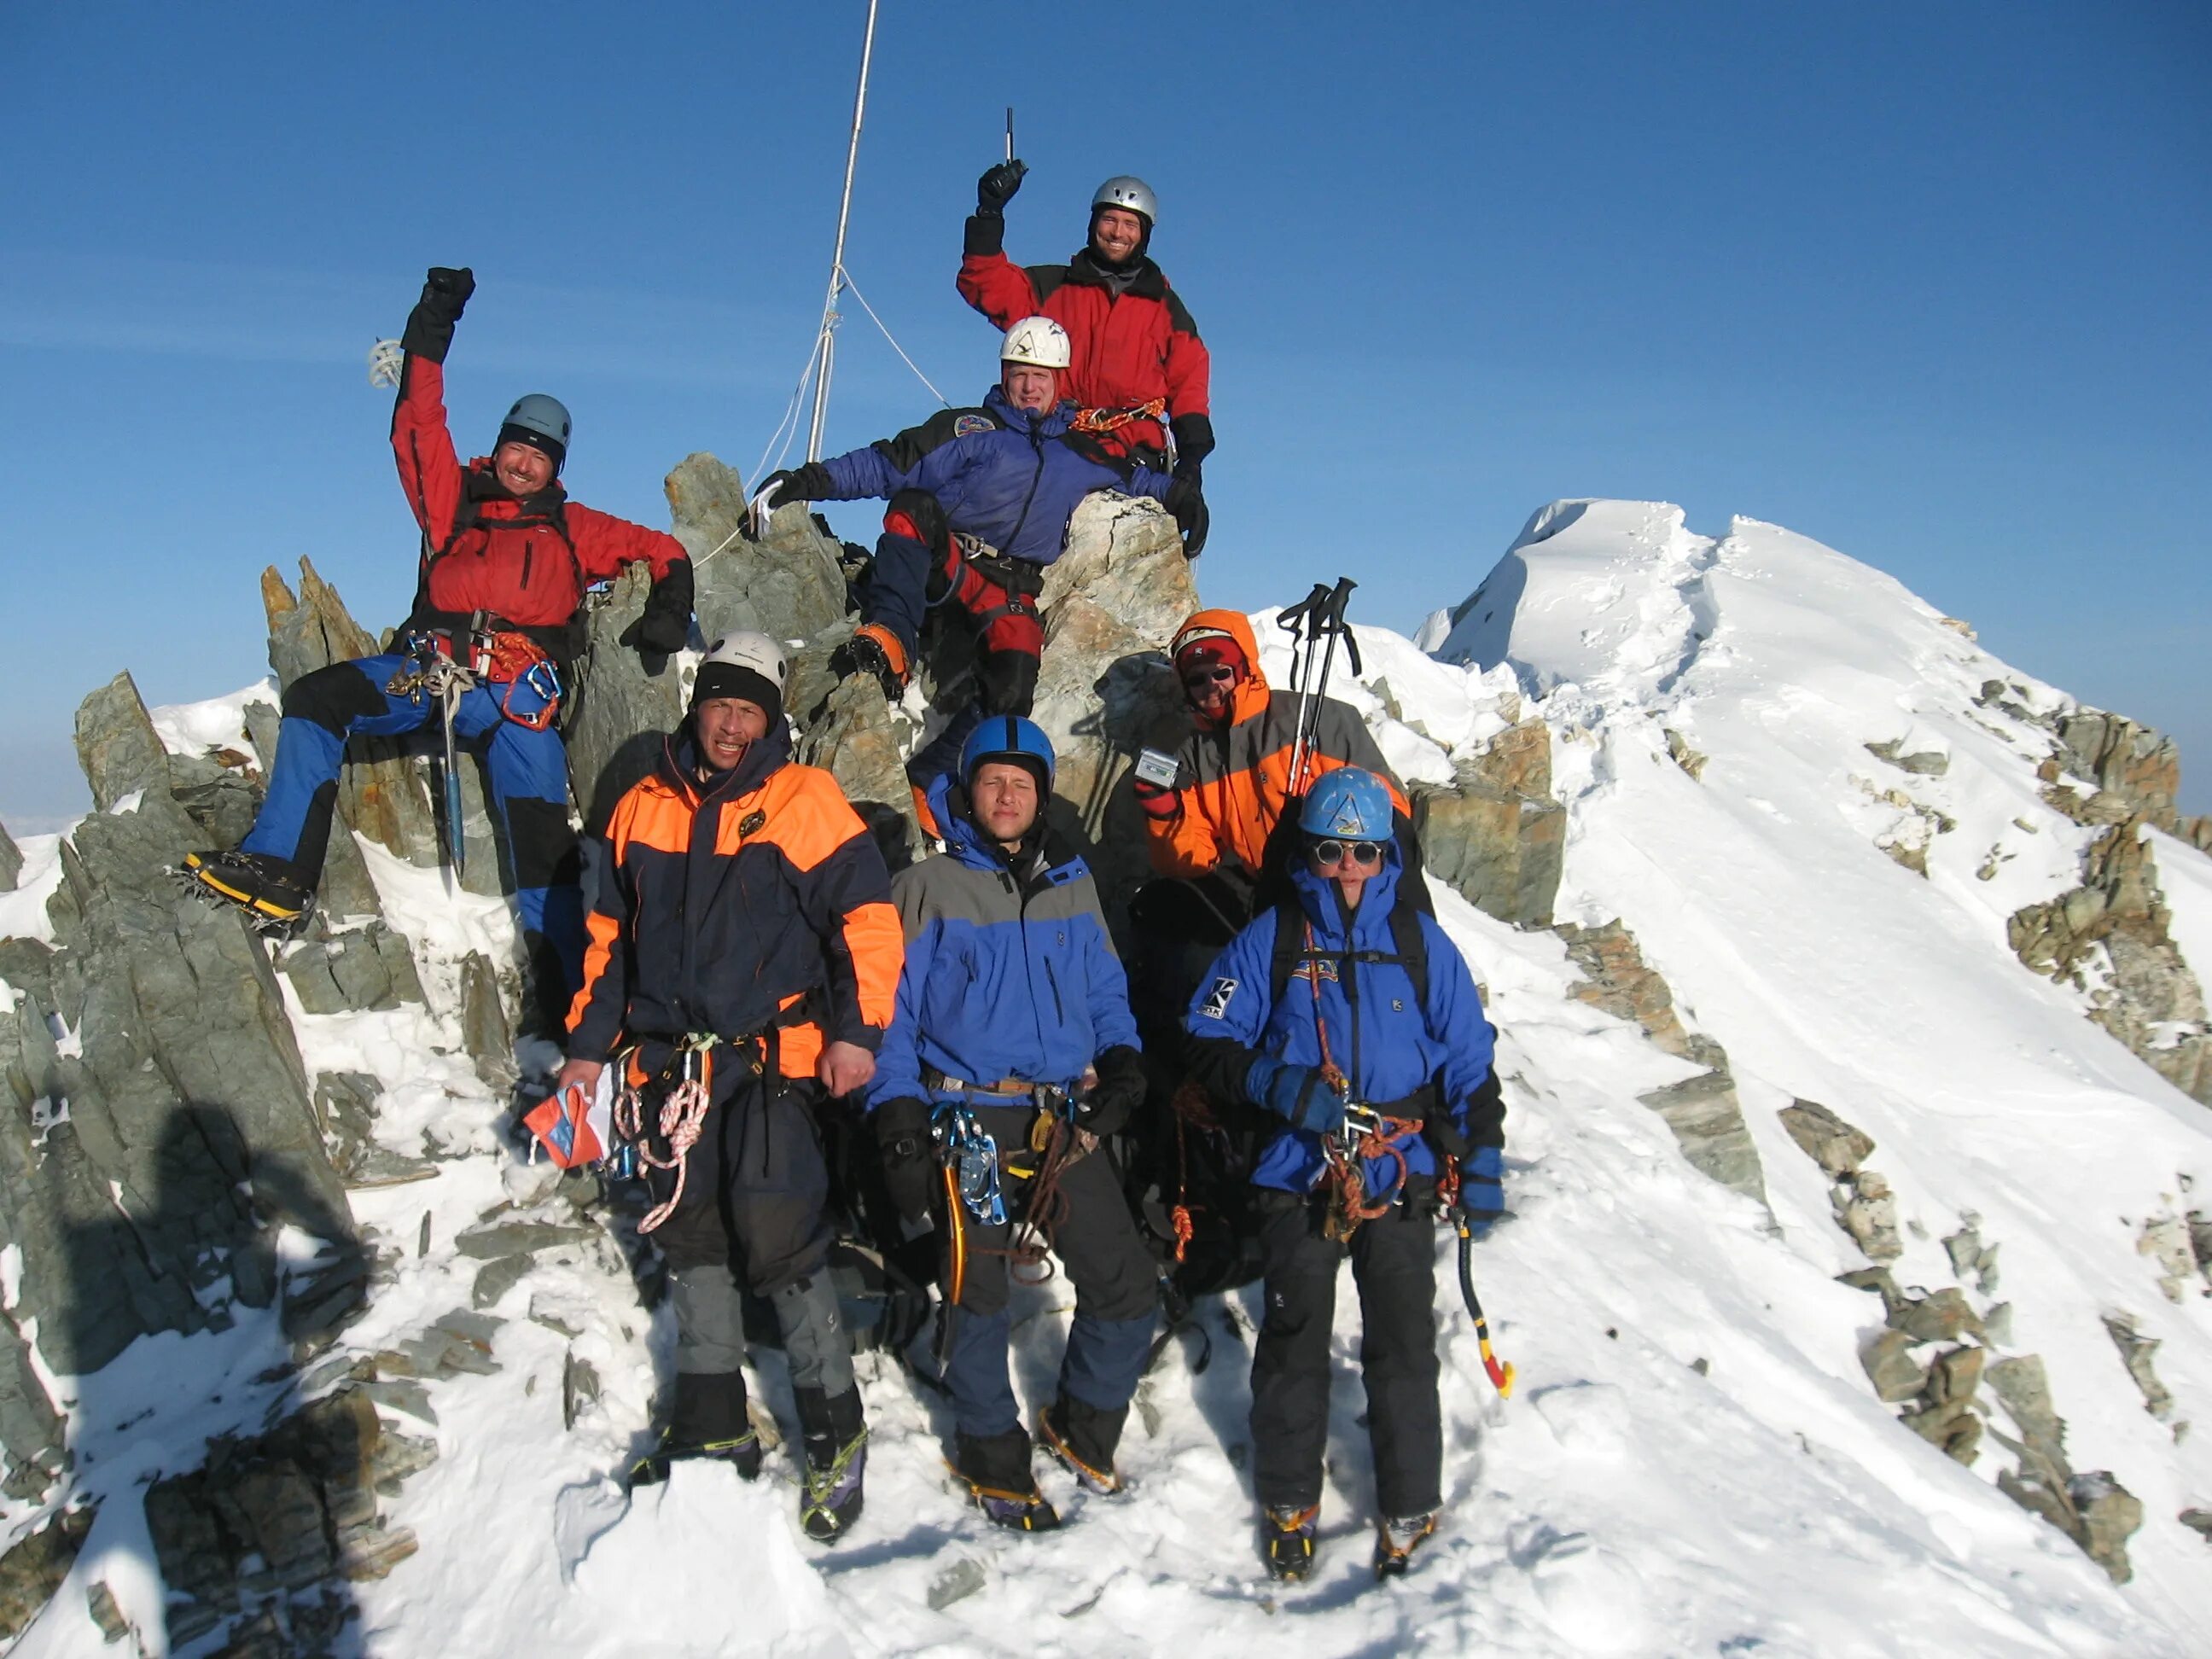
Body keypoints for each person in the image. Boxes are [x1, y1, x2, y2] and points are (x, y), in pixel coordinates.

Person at [184, 265, 692, 1020]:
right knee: (317, 700)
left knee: (541, 831)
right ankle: (280, 870)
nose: (523, 462)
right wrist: (432, 329)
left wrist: (669, 608)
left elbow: (662, 548)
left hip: (520, 701)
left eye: (539, 455)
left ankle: (565, 983)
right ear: (501, 448)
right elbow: (416, 425)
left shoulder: (572, 527)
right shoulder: (452, 500)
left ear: (557, 465)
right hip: (429, 675)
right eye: (515, 448)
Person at [557, 632, 904, 1544]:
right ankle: (708, 1419)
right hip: (669, 1066)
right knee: (692, 1238)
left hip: (770, 1063)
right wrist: (589, 1049)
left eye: (752, 711)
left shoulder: (803, 798)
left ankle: (835, 1431)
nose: (733, 726)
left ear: (771, 719)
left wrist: (857, 1035)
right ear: (698, 706)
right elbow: (606, 938)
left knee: (780, 1239)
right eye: (722, 706)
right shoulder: (641, 805)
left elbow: (866, 921)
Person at [1181, 767, 1505, 1581]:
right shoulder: (1274, 939)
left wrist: (1483, 1151)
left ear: (1386, 854)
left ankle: (1409, 1501)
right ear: (1309, 854)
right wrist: (1279, 1085)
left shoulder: (1419, 942)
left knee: (1402, 1342)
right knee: (1294, 1337)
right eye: (1331, 850)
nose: (1349, 867)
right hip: (1299, 1168)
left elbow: (1468, 1057)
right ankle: (1289, 1496)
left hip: (1397, 1170)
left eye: (1363, 851)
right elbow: (1204, 1037)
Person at [867, 717, 1155, 1531]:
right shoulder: (927, 888)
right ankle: (991, 1451)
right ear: (967, 792)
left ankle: (1084, 1424)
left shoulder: (1073, 881)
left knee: (1127, 1287)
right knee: (977, 1294)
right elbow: (893, 1019)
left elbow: (1104, 990)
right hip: (967, 1116)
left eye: (1021, 784)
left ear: (1040, 796)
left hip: (1061, 1117)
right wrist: (896, 1112)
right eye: (992, 781)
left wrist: (1125, 1061)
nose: (1006, 795)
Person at [758, 318, 1202, 728]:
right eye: (1019, 374)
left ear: (1059, 382)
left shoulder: (1082, 451)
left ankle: (941, 789)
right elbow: (890, 464)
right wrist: (808, 480)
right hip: (948, 565)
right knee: (912, 506)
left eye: (1040, 376)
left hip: (1010, 589)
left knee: (1011, 695)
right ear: (1004, 375)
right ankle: (893, 638)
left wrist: (1184, 497)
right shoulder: (971, 429)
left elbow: (1138, 478)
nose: (1029, 387)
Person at [959, 165, 1213, 492]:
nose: (1118, 233)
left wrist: (1192, 457)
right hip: (1052, 440)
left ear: (1145, 234)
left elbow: (1189, 377)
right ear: (1093, 224)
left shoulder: (1165, 308)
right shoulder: (1052, 286)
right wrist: (989, 214)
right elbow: (984, 283)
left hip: (1131, 453)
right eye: (1109, 220)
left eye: (1130, 224)